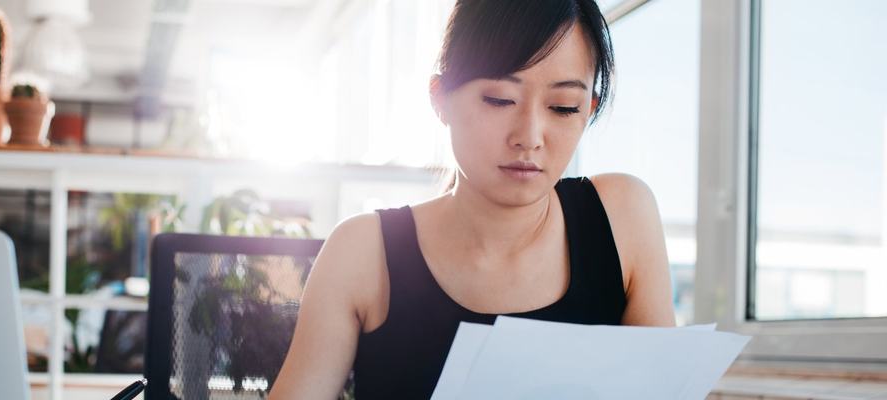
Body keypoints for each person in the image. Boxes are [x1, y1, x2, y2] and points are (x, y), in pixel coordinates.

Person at [269, 0, 675, 398]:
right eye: (499, 100)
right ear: (440, 98)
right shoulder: (362, 252)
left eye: (563, 107)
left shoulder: (622, 217)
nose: (530, 137)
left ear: (589, 109)